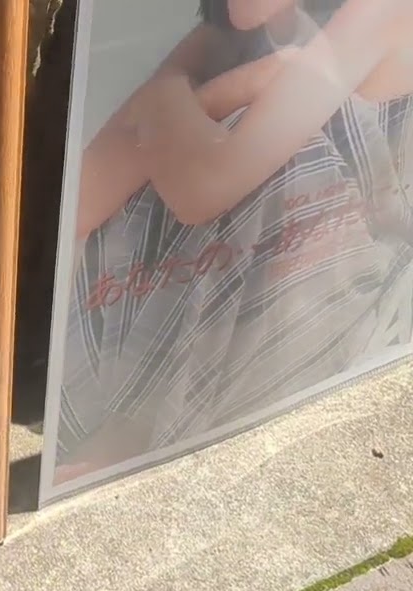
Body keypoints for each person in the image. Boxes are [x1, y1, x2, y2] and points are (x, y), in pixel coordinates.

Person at [54, 0, 413, 483]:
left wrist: (167, 105)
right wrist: (211, 94)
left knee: (286, 161)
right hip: (230, 325)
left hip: (352, 315)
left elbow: (205, 188)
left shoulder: (379, 9)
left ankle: (140, 431)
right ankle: (136, 421)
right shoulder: (229, 37)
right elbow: (82, 201)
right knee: (189, 142)